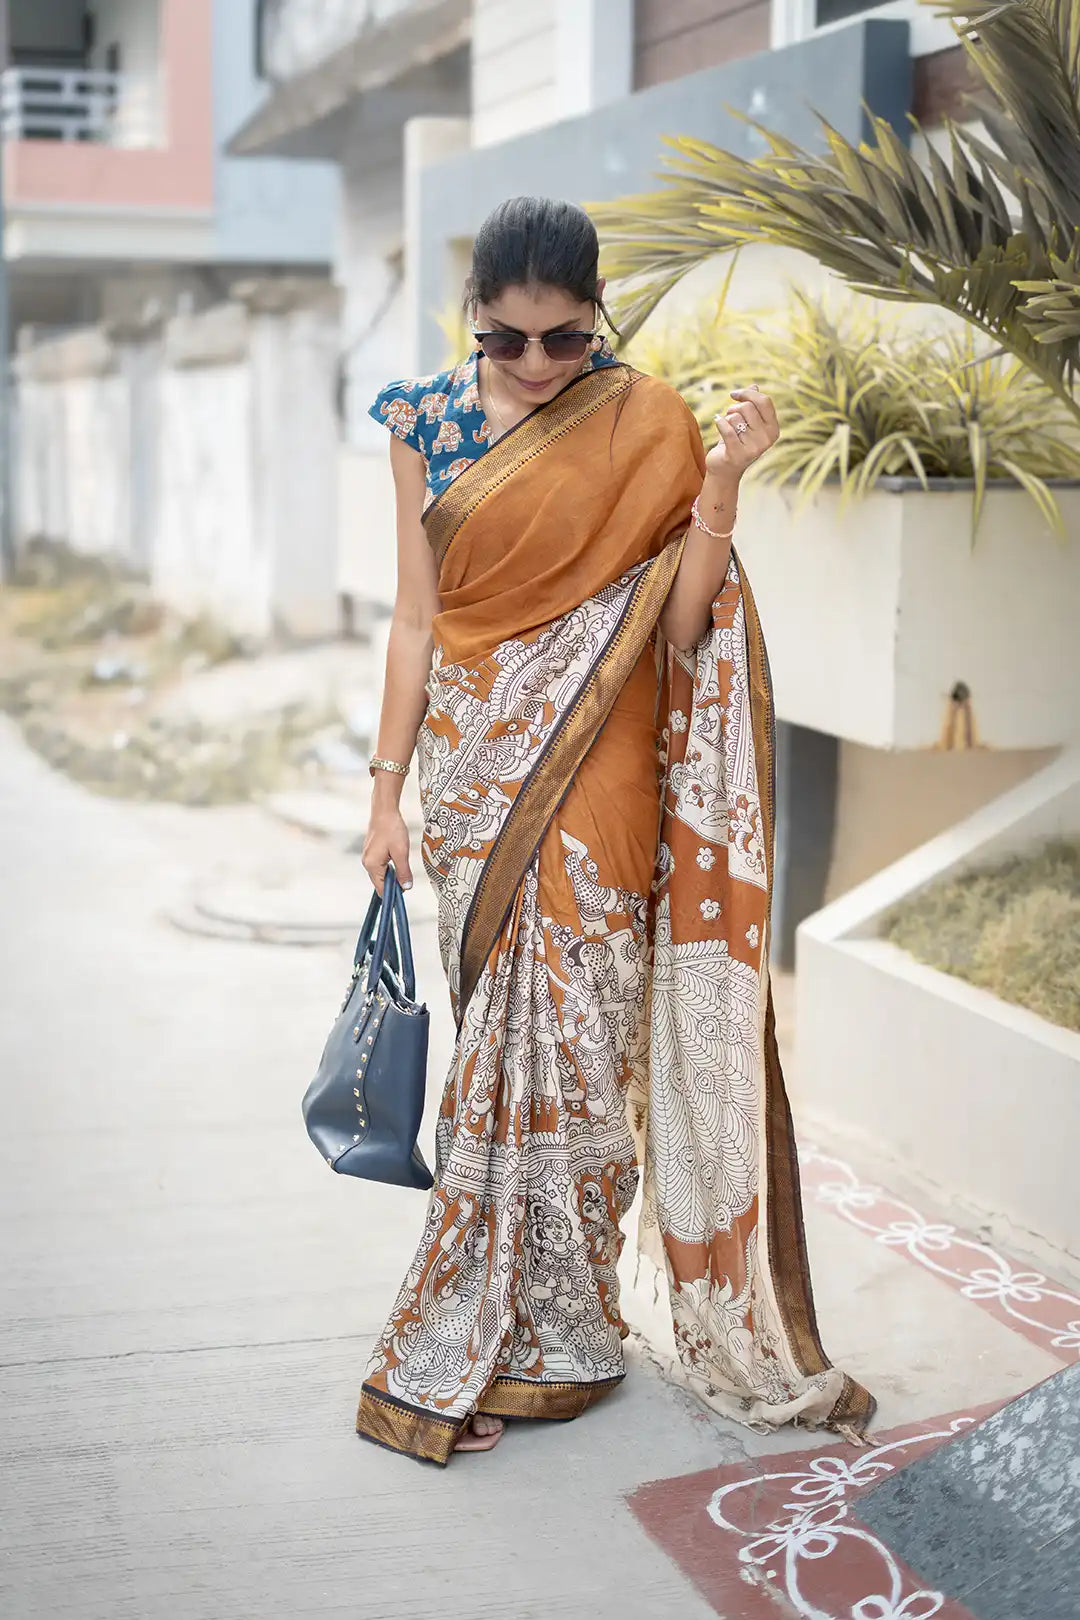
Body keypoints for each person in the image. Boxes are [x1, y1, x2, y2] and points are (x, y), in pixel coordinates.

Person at [356, 196, 874, 1463]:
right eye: (507, 339)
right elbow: (417, 621)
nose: (537, 364)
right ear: (472, 319)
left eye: (566, 339)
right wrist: (383, 793)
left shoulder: (648, 425)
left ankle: (570, 1330)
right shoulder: (422, 422)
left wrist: (723, 483)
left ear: (599, 319)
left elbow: (683, 626)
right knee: (496, 1067)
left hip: (604, 782)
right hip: (477, 783)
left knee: (584, 1059)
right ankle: (472, 1332)